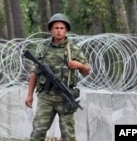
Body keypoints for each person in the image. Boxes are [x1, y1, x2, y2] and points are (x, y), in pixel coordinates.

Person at [25, 13, 91, 141]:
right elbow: (34, 72)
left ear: (66, 30)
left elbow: (87, 70)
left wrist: (79, 65)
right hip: (46, 97)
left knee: (68, 136)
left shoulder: (73, 49)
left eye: (62, 28)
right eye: (56, 28)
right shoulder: (43, 48)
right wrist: (29, 95)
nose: (59, 31)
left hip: (65, 98)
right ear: (51, 30)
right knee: (38, 131)